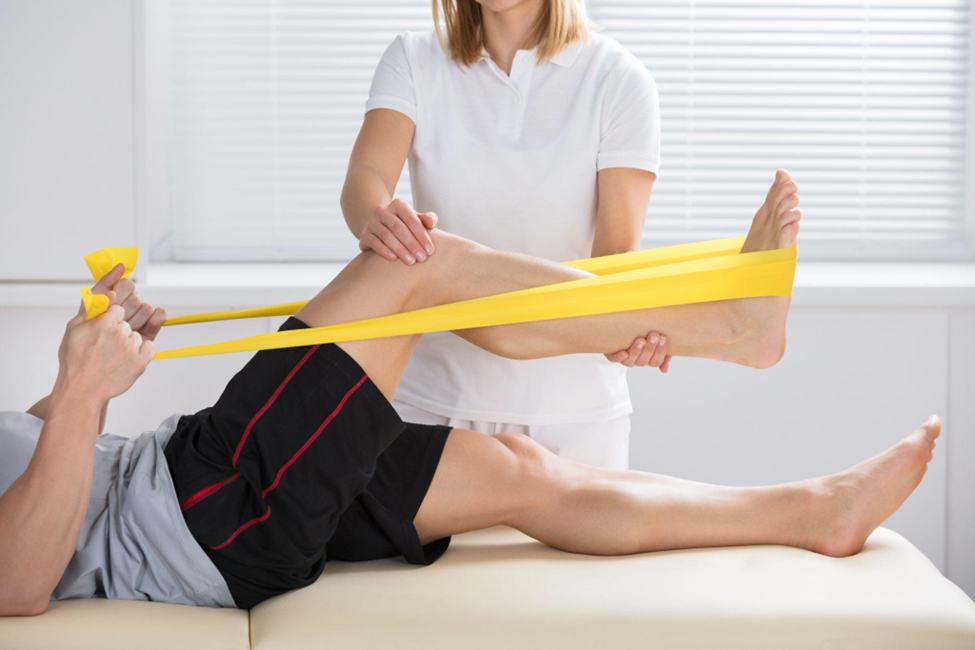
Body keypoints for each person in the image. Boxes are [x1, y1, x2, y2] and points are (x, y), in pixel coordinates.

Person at [0, 172, 939, 615]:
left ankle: (813, 511)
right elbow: (17, 583)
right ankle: (729, 327)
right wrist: (84, 399)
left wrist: (79, 379)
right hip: (205, 517)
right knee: (426, 268)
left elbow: (49, 474)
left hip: (183, 476)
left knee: (523, 470)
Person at [343, 0, 666, 469]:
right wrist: (378, 220)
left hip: (573, 417)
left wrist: (630, 328)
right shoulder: (413, 59)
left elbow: (616, 253)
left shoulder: (618, 78)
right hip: (428, 405)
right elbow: (366, 177)